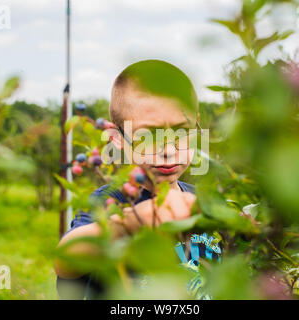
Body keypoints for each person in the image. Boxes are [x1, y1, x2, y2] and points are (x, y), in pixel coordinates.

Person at [54, 59, 221, 299]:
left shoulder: (205, 202)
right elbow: (65, 261)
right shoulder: (112, 202)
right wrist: (128, 224)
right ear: (118, 139)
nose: (168, 149)